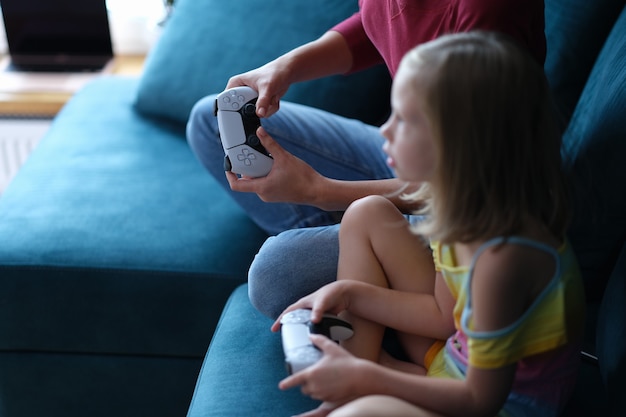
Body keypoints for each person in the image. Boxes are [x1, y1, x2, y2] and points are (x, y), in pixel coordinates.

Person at [271, 31, 586, 417]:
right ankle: (349, 382)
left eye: (403, 120)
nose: (384, 130)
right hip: (451, 358)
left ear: (458, 144)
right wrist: (350, 292)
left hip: (487, 403)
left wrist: (372, 381)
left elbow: (479, 401)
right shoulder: (453, 206)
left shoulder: (504, 258)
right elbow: (443, 317)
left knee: (361, 413)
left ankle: (357, 388)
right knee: (367, 212)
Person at [187, 0, 547, 319]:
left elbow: (475, 187)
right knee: (211, 120)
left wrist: (319, 190)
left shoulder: (490, 12)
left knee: (275, 274)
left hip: (471, 194)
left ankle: (363, 260)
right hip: (417, 155)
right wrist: (287, 66)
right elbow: (382, 16)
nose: (383, 128)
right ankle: (362, 252)